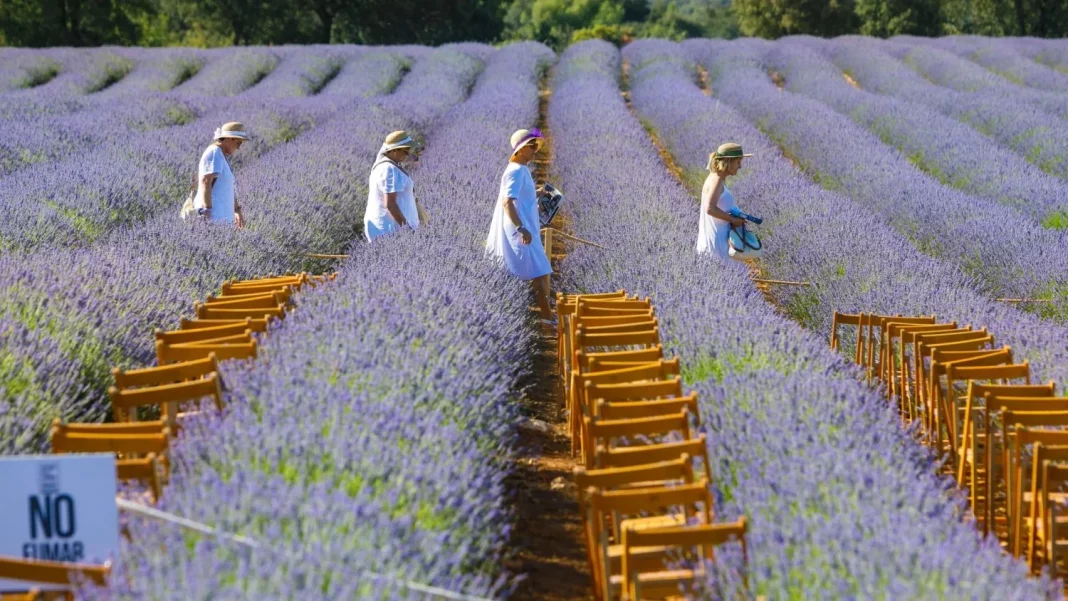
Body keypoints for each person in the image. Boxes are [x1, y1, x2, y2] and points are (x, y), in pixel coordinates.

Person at [485, 128, 554, 323]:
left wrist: (538, 192)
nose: (535, 150)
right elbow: (507, 201)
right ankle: (547, 318)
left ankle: (546, 317)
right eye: (532, 146)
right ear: (522, 149)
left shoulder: (521, 169)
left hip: (526, 228)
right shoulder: (514, 170)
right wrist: (520, 227)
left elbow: (520, 196)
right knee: (537, 271)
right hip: (519, 230)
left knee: (539, 270)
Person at [364, 130, 426, 241]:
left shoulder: (389, 166)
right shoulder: (389, 169)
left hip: (393, 231)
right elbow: (390, 204)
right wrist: (407, 229)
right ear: (394, 150)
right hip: (391, 231)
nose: (408, 155)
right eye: (406, 151)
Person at [696, 142, 753, 260]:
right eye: (738, 162)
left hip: (719, 238)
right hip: (717, 241)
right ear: (728, 162)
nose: (740, 166)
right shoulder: (716, 180)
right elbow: (710, 208)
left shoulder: (716, 178)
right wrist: (733, 220)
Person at [192, 122, 249, 227]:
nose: (239, 148)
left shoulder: (221, 155)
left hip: (222, 219)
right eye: (238, 143)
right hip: (214, 218)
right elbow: (206, 181)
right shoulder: (215, 152)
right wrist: (206, 212)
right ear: (229, 139)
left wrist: (237, 210)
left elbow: (226, 187)